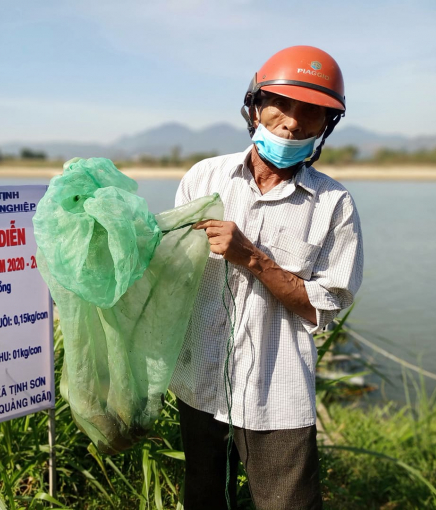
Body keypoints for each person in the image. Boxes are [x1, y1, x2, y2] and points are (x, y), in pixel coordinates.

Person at [169, 45, 364, 510]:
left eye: (312, 112)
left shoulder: (334, 205)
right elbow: (172, 268)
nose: (293, 122)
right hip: (200, 382)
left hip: (276, 395)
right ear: (254, 106)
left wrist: (253, 258)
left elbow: (323, 306)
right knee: (203, 498)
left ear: (325, 126)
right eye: (282, 104)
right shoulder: (205, 177)